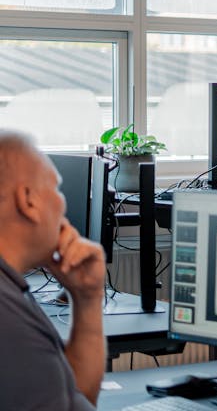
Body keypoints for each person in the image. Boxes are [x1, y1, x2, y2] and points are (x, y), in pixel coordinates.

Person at [0, 130, 107, 410]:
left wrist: (87, 298)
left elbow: (76, 398)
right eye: (56, 188)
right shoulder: (9, 322)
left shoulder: (11, 289)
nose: (62, 203)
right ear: (28, 200)